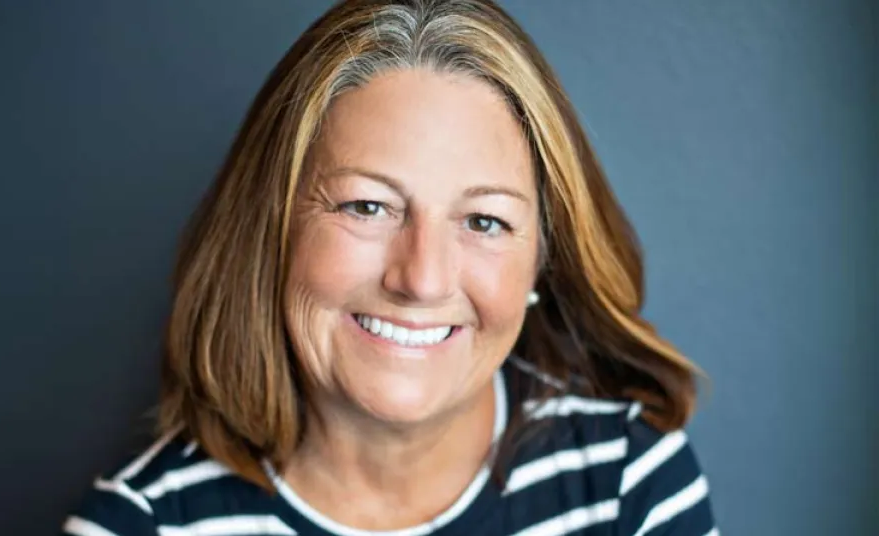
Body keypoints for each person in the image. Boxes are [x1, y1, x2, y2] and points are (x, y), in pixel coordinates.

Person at [61, 0, 718, 534]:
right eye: (368, 206)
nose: (422, 278)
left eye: (484, 221)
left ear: (541, 266)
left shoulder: (630, 484)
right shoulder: (139, 525)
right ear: (271, 231)